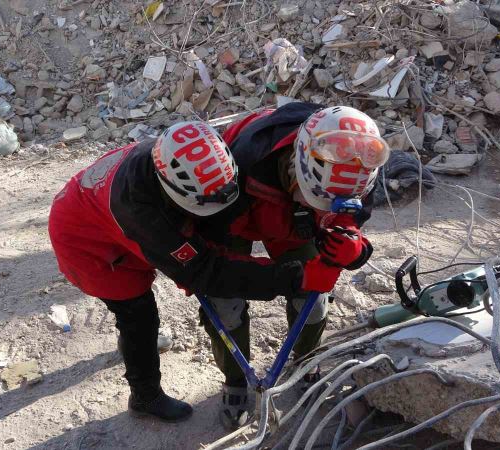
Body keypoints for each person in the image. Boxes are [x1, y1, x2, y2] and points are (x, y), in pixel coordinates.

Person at [48, 121, 353, 423]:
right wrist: (295, 277)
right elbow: (204, 272)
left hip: (106, 205)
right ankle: (145, 395)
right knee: (137, 316)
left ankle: (302, 363)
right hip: (88, 241)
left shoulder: (194, 155)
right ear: (175, 195)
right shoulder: (144, 215)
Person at [198, 104, 389, 429]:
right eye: (315, 197)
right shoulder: (243, 161)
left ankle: (306, 363)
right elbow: (215, 258)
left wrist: (352, 244)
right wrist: (272, 279)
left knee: (313, 301)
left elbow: (349, 219)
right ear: (298, 168)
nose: (322, 207)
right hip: (238, 210)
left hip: (292, 218)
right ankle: (236, 382)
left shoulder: (359, 164)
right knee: (224, 302)